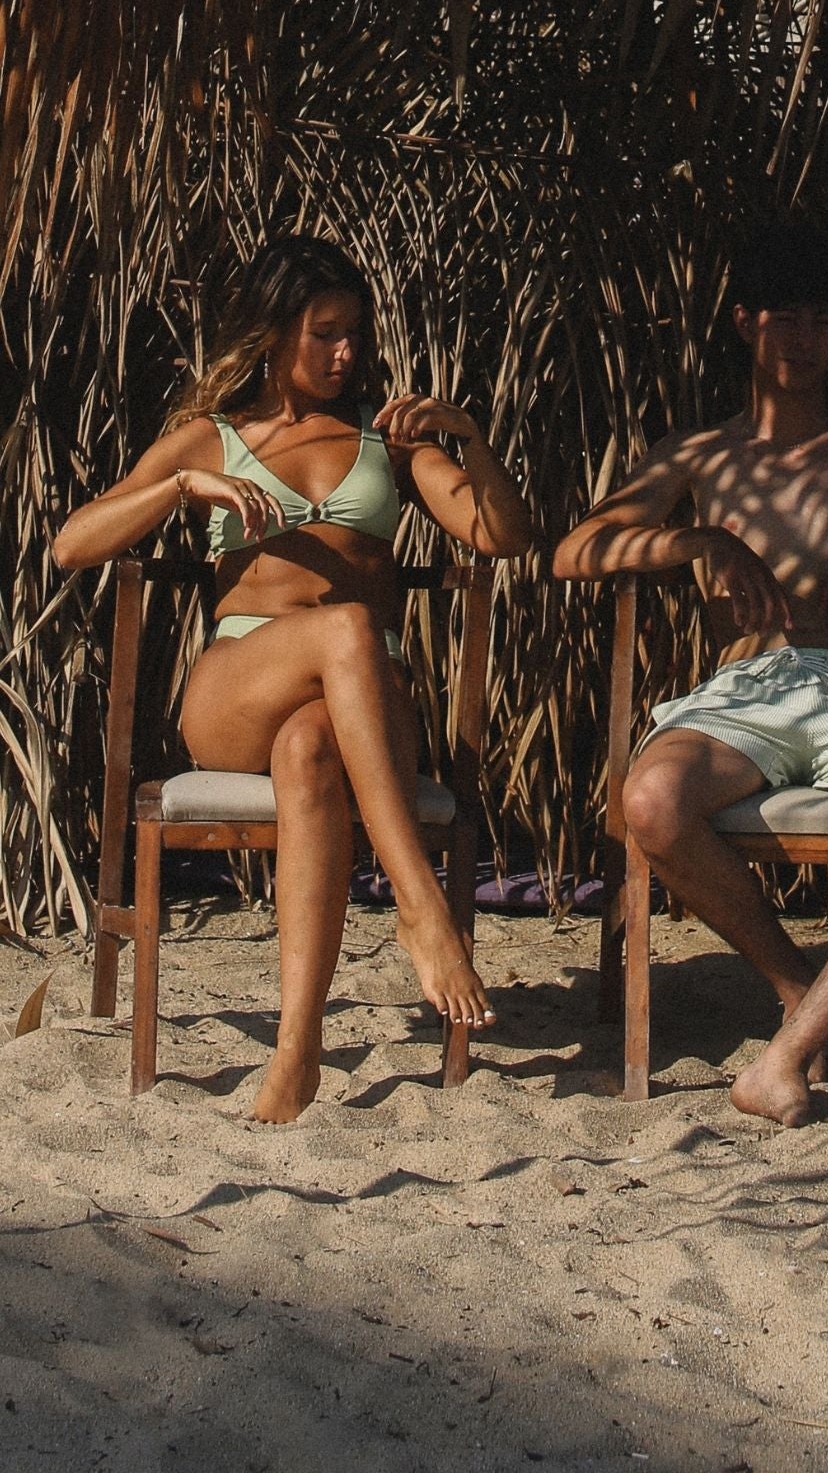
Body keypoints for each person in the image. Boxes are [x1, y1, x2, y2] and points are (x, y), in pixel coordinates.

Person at [54, 235, 533, 1122]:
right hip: (239, 685)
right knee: (345, 626)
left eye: (355, 334)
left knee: (314, 743)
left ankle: (298, 1051)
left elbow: (501, 537)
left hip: (366, 708)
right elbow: (72, 544)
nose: (346, 353)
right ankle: (422, 905)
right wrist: (181, 490)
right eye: (325, 334)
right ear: (275, 334)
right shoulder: (211, 438)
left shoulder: (384, 442)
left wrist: (469, 443)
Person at [553, 222, 828, 1127]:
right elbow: (575, 552)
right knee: (650, 805)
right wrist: (694, 538)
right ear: (742, 324)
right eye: (784, 319)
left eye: (824, 321)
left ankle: (786, 1058)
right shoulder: (703, 455)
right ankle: (798, 986)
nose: (803, 340)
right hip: (745, 692)